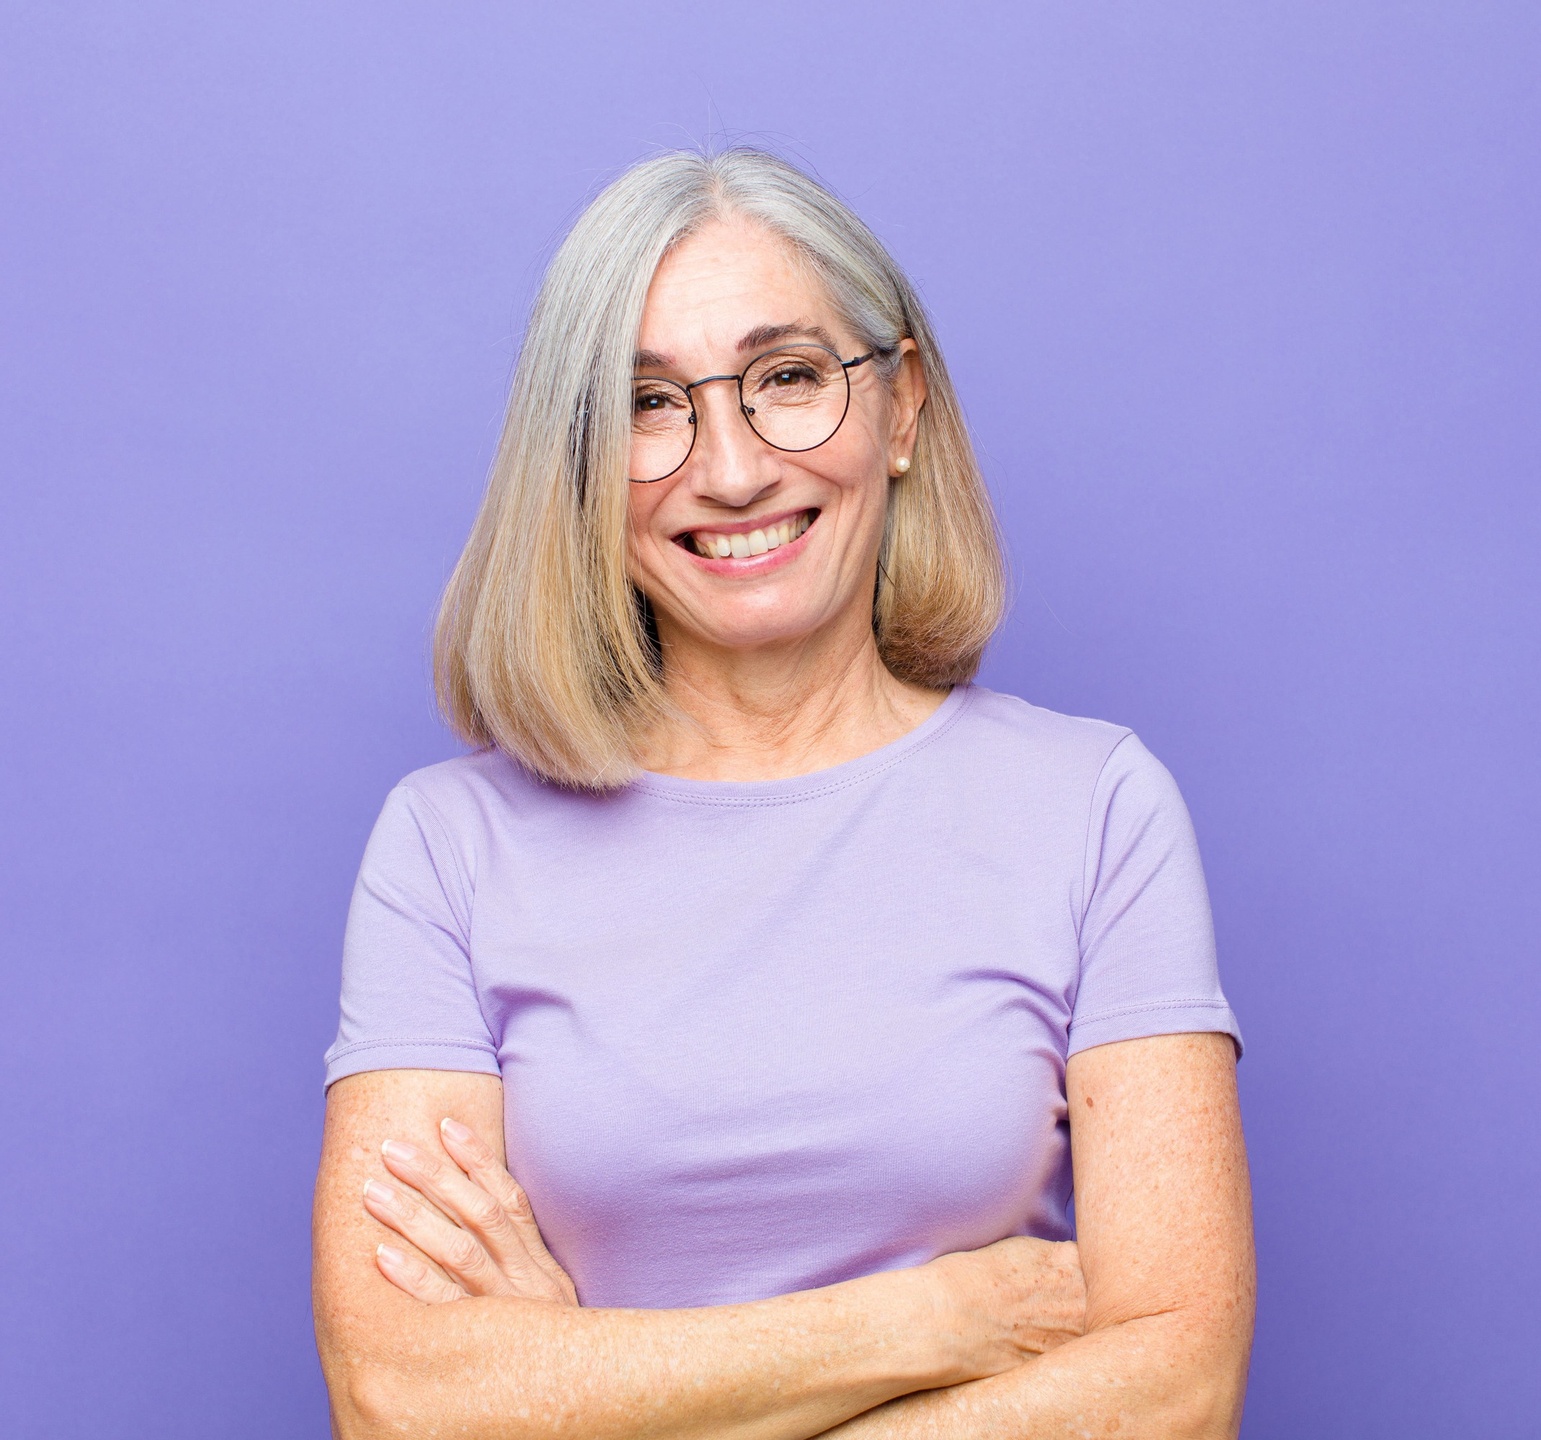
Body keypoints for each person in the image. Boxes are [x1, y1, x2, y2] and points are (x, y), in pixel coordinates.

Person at [312, 147, 1254, 1439]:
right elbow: (400, 1400)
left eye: (790, 379)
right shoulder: (448, 847)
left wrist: (580, 1392)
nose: (733, 469)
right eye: (648, 403)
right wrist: (928, 1322)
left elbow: (1176, 1390)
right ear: (576, 464)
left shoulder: (1093, 809)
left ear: (901, 408)